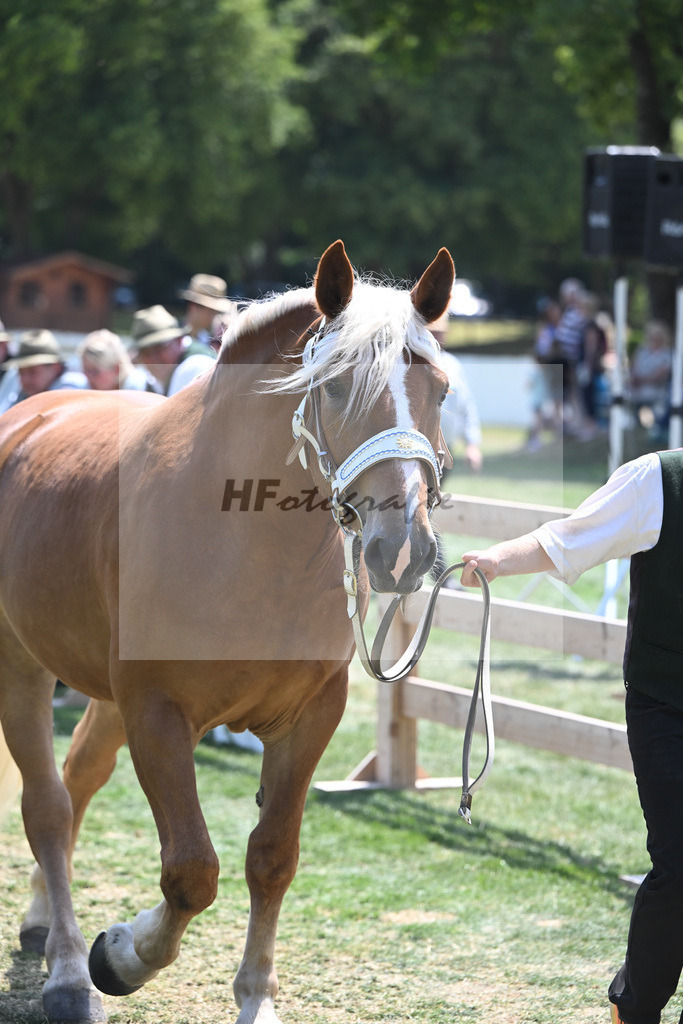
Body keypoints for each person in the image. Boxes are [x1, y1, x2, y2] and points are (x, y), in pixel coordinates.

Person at [459, 448, 683, 1024]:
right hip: (666, 702)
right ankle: (633, 1009)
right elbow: (570, 536)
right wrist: (497, 559)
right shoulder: (658, 480)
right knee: (681, 861)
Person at [131, 305, 216, 396]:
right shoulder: (159, 377)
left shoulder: (197, 366)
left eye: (160, 347)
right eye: (146, 352)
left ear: (179, 340)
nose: (154, 358)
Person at [0, 329, 87, 412]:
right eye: (21, 372)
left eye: (32, 372)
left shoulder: (72, 389)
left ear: (56, 368)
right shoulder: (21, 395)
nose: (25, 379)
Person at [78, 329, 161, 393]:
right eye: (86, 370)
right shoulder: (86, 387)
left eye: (95, 371)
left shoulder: (139, 389)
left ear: (116, 369)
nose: (88, 376)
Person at [627, 320, 673, 435]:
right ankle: (633, 421)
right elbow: (634, 369)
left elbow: (659, 376)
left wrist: (641, 380)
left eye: (657, 336)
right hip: (638, 387)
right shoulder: (642, 351)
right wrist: (635, 379)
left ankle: (658, 426)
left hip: (657, 389)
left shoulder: (667, 354)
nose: (654, 339)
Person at [180, 273, 237, 347]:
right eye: (210, 311)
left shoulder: (208, 340)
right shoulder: (173, 336)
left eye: (215, 312)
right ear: (194, 307)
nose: (213, 316)